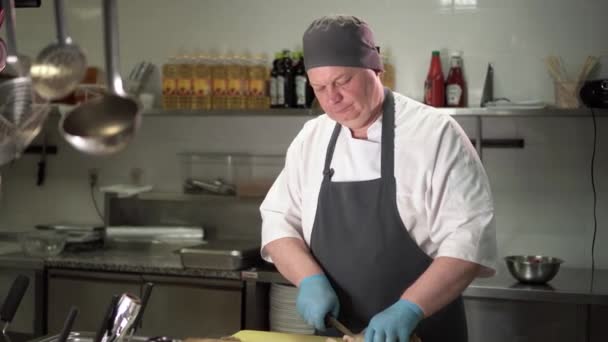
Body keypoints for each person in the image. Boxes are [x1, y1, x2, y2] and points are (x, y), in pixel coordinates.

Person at [260, 15, 497, 342]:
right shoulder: (312, 138)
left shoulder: (434, 134)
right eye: (319, 87)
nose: (332, 98)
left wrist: (410, 308)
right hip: (337, 333)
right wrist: (308, 279)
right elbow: (278, 221)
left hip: (424, 331)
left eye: (342, 81)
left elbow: (469, 238)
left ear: (376, 68)